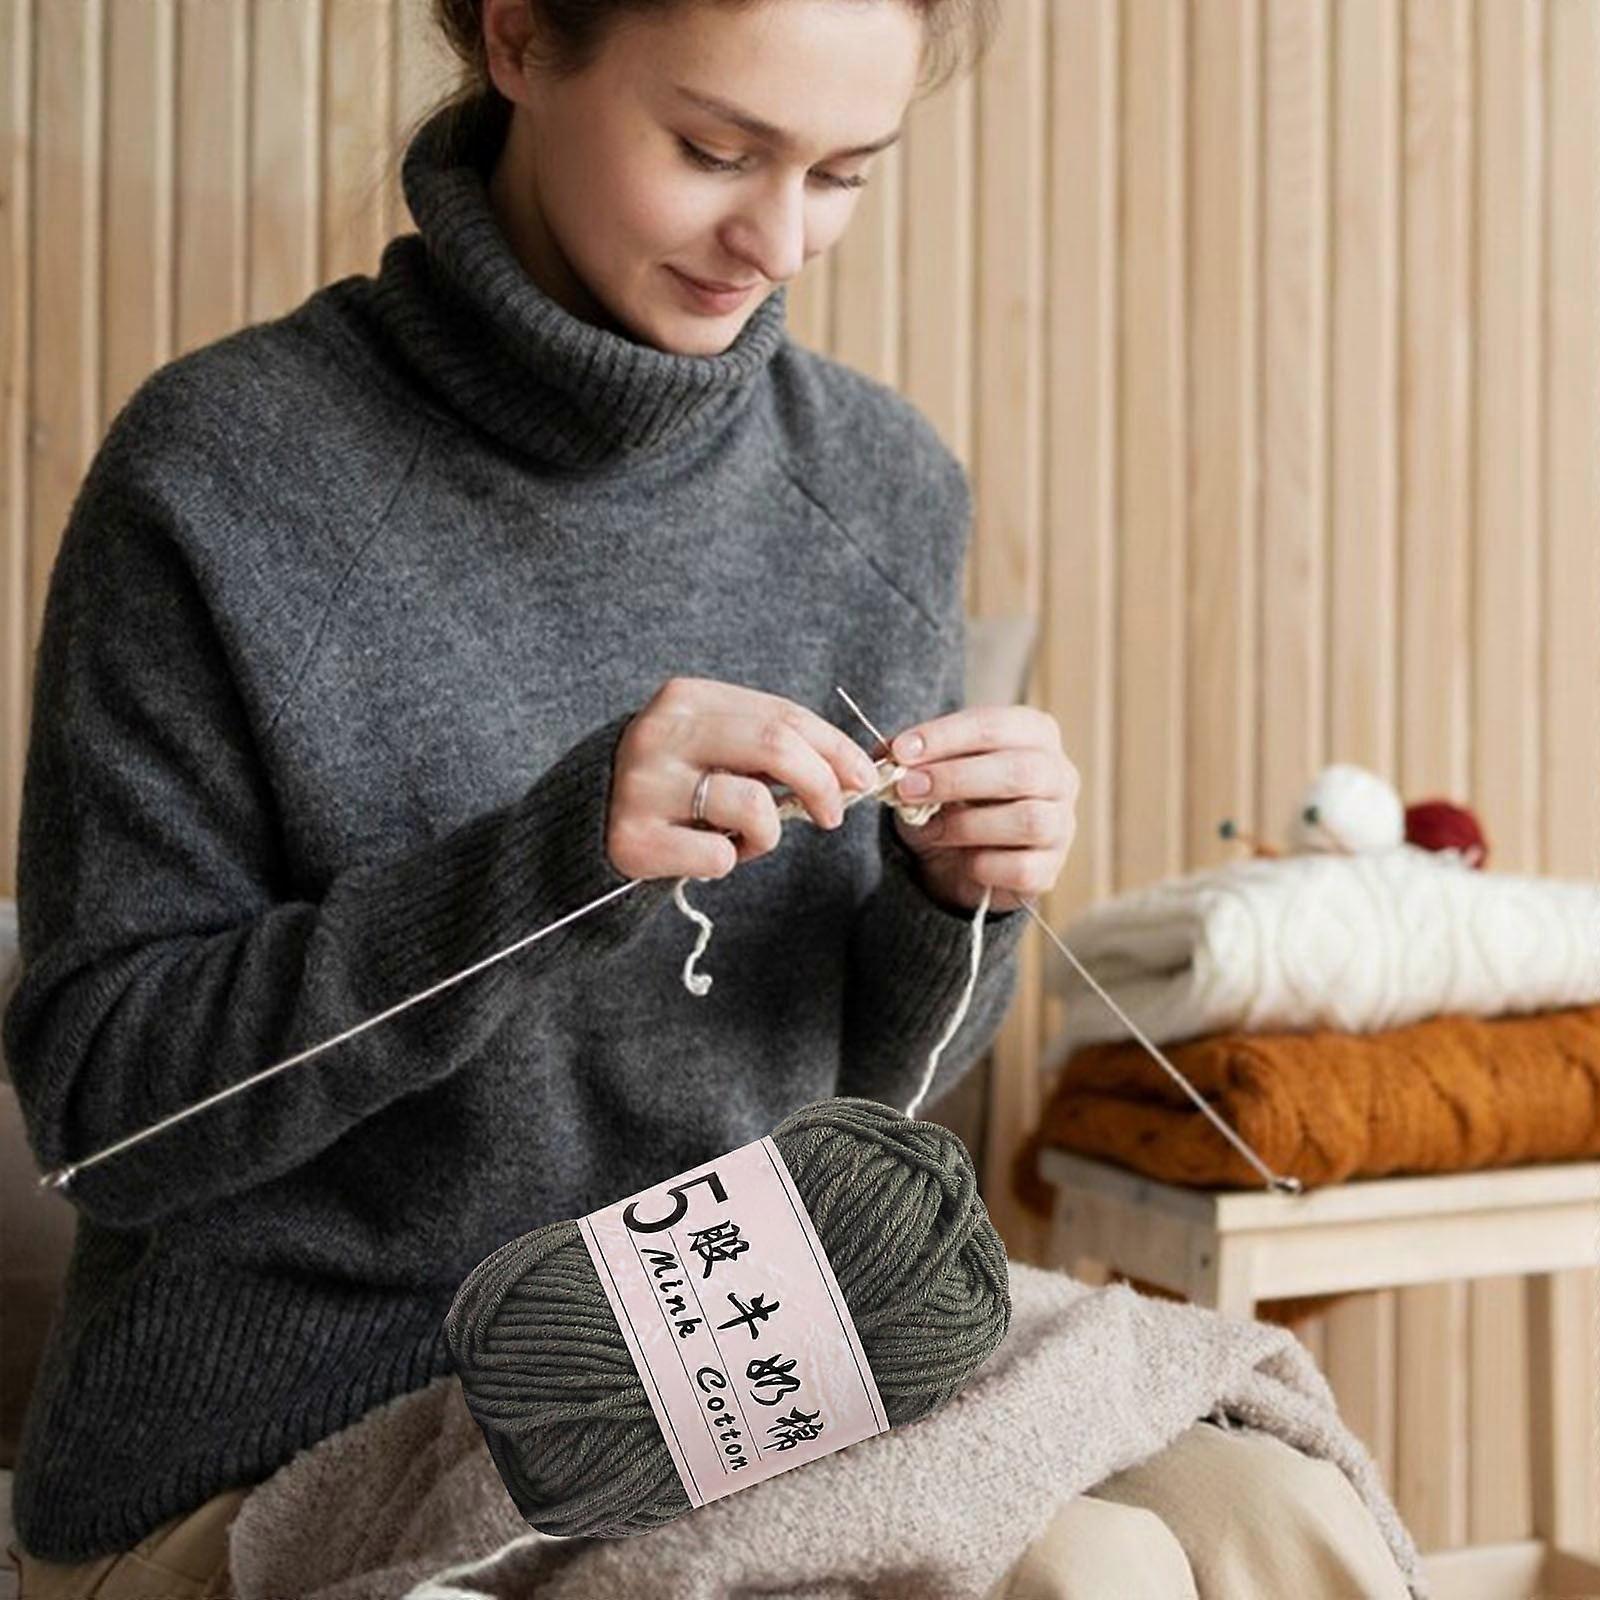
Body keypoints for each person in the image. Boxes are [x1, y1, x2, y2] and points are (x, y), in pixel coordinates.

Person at [3, 0, 1077, 1591]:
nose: (779, 238)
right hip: (289, 1426)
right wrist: (540, 868)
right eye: (714, 149)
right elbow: (105, 1122)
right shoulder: (222, 471)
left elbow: (865, 1089)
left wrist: (955, 901)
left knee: (1238, 1522)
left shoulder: (881, 480)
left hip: (733, 1362)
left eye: (845, 172)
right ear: (518, 41)